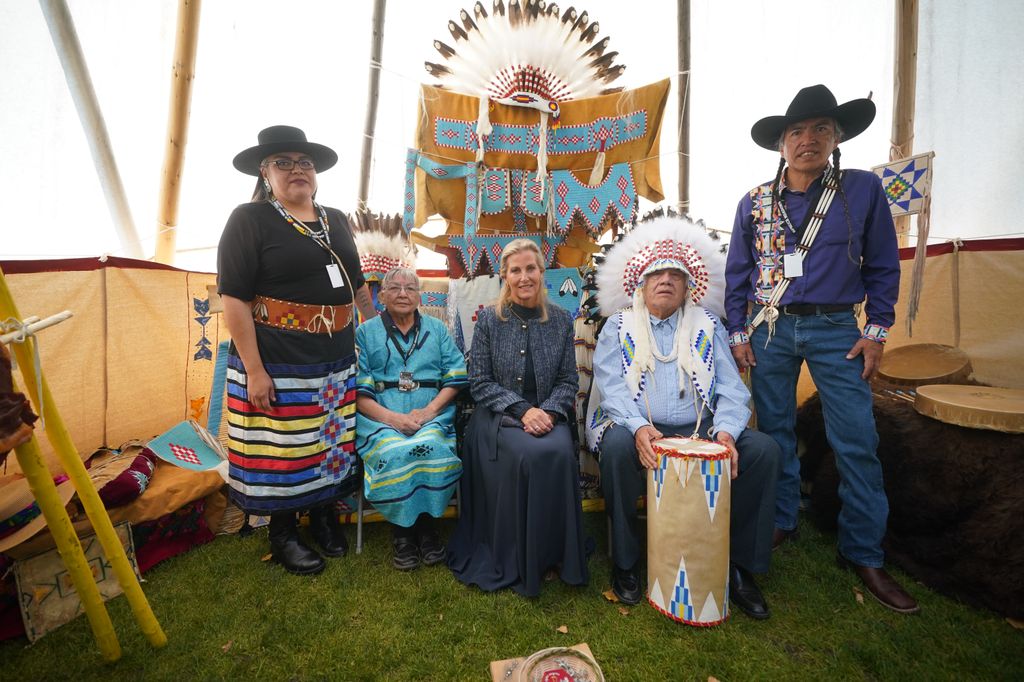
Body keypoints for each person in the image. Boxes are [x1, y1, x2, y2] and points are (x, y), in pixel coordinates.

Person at [724, 85, 918, 614]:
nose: (807, 139)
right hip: (770, 328)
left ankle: (864, 551)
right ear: (781, 143)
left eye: (820, 129)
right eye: (796, 131)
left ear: (836, 138)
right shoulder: (754, 201)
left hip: (837, 329)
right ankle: (782, 519)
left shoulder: (862, 190)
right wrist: (738, 335)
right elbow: (738, 272)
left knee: (856, 436)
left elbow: (883, 264)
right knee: (775, 431)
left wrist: (877, 331)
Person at [588, 217, 780, 619]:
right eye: (657, 274)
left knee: (763, 451)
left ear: (687, 287)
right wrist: (639, 427)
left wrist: (725, 434)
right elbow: (611, 389)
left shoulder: (707, 325)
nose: (666, 280)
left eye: (675, 275)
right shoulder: (618, 326)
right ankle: (625, 562)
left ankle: (738, 565)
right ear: (641, 285)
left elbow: (731, 388)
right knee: (618, 447)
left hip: (701, 429)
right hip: (636, 425)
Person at [218, 125, 377, 576]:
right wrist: (254, 370)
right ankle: (283, 531)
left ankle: (323, 516)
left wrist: (375, 330)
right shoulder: (249, 220)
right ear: (264, 172)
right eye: (283, 163)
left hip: (334, 361)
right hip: (277, 358)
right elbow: (234, 298)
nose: (296, 170)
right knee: (285, 447)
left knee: (329, 439)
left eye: (304, 162)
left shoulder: (336, 218)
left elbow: (357, 283)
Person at [447, 239, 589, 597]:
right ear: (505, 276)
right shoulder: (488, 321)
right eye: (516, 270)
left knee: (558, 452)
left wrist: (549, 412)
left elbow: (568, 380)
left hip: (548, 413)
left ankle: (554, 554)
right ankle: (519, 556)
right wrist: (523, 410)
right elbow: (480, 382)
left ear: (542, 273)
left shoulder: (560, 320)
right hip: (498, 416)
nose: (524, 277)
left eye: (530, 269)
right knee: (530, 455)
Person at [355, 267, 468, 571]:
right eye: (394, 288)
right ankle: (403, 533)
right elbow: (359, 394)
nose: (403, 294)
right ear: (381, 296)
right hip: (381, 418)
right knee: (394, 451)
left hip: (432, 415)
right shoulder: (365, 332)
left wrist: (429, 412)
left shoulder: (438, 329)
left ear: (420, 296)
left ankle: (428, 528)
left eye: (410, 288)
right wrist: (393, 419)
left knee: (431, 447)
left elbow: (456, 377)